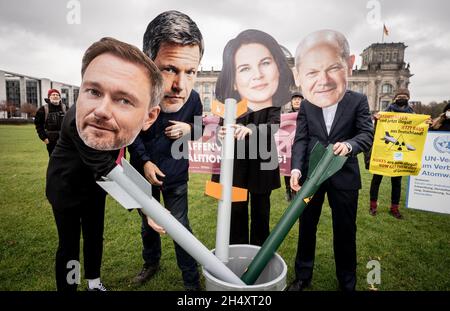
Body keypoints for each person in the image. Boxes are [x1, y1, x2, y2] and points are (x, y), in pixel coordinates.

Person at [46, 37, 162, 291]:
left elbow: (123, 159)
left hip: (94, 188)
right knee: (69, 245)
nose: (102, 110)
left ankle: (94, 283)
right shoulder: (78, 120)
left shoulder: (118, 123)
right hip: (65, 189)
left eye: (123, 99)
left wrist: (147, 204)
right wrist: (147, 209)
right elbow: (110, 168)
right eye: (95, 92)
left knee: (94, 236)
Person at [289, 30, 373, 291]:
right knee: (307, 227)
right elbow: (301, 139)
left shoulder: (358, 100)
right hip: (312, 175)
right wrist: (295, 168)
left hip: (344, 176)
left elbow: (366, 134)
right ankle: (303, 277)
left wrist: (349, 145)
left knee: (345, 231)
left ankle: (347, 282)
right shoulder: (307, 104)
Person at [128, 10, 203, 291]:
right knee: (148, 225)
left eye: (190, 72)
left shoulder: (193, 99)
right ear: (149, 62)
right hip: (143, 174)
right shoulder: (138, 93)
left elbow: (200, 130)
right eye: (169, 68)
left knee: (180, 228)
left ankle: (191, 281)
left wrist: (189, 130)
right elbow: (131, 132)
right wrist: (145, 163)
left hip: (176, 174)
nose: (179, 87)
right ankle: (151, 263)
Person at [213, 29, 295, 246]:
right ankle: (237, 250)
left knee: (261, 212)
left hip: (262, 162)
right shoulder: (231, 100)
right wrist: (221, 134)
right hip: (237, 164)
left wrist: (251, 131)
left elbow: (274, 126)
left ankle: (259, 254)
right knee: (236, 211)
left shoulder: (272, 99)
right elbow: (222, 130)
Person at [369, 88, 414, 219]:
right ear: (395, 98)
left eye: (404, 96)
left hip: (400, 153)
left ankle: (394, 208)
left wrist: (426, 124)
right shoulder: (385, 113)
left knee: (397, 182)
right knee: (376, 180)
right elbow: (376, 131)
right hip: (384, 152)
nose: (401, 98)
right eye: (399, 96)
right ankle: (373, 206)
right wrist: (377, 120)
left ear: (408, 98)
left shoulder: (413, 114)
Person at [284, 92, 303, 202]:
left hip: (300, 145)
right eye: (295, 99)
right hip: (288, 146)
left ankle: (296, 189)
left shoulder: (305, 114)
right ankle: (288, 189)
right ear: (291, 102)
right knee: (287, 168)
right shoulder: (286, 116)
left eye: (299, 99)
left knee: (298, 167)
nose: (297, 101)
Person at [34, 89, 66, 156]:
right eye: (53, 95)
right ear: (49, 97)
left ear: (60, 97)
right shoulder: (43, 109)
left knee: (65, 159)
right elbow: (38, 125)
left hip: (64, 139)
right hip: (51, 140)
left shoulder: (65, 108)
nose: (55, 96)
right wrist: (44, 138)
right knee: (53, 160)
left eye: (57, 95)